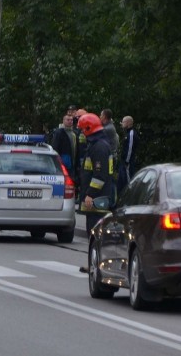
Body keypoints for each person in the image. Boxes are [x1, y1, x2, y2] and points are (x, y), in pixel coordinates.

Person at [76, 113, 115, 272]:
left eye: (82, 131)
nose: (80, 135)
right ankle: (94, 264)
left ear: (88, 129)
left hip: (98, 198)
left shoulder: (98, 147)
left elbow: (100, 176)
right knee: (93, 234)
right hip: (98, 197)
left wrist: (90, 194)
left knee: (96, 234)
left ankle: (97, 265)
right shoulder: (98, 144)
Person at [50, 113, 77, 178]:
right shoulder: (59, 133)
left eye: (71, 120)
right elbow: (55, 147)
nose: (70, 121)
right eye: (68, 120)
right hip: (63, 161)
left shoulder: (74, 133)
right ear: (63, 121)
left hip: (73, 162)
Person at [118, 115, 139, 191]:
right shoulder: (127, 133)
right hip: (124, 162)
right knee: (121, 182)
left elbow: (130, 148)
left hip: (128, 163)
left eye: (123, 122)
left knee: (128, 182)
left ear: (128, 123)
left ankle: (130, 197)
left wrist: (127, 161)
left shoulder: (131, 133)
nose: (122, 124)